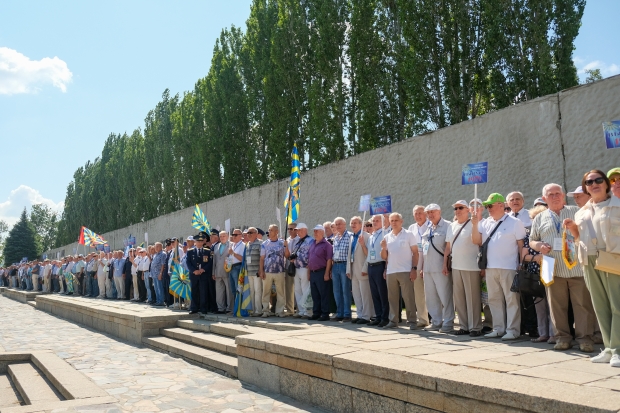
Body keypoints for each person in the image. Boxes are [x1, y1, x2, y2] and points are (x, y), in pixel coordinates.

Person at [529, 183, 596, 352]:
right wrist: (539, 246)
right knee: (556, 306)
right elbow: (532, 240)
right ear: (544, 198)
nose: (555, 197)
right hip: (552, 267)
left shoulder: (576, 211)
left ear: (563, 195)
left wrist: (574, 228)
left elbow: (587, 233)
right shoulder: (539, 217)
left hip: (577, 266)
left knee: (582, 305)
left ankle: (584, 340)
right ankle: (562, 338)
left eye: (557, 193)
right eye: (550, 194)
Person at [565, 170, 620, 367]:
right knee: (600, 306)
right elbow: (580, 238)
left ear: (606, 184)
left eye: (598, 180)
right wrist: (573, 229)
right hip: (588, 260)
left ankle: (618, 349)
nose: (594, 184)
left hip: (612, 258)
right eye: (589, 182)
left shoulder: (617, 205)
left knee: (617, 305)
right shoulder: (581, 212)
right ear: (586, 188)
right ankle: (608, 348)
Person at [472, 193, 526, 340]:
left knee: (511, 300)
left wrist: (521, 264)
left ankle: (513, 330)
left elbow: (521, 245)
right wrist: (475, 223)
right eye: (487, 206)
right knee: (494, 299)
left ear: (501, 205)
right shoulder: (485, 223)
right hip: (490, 267)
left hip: (509, 267)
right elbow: (476, 241)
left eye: (490, 205)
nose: (488, 208)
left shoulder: (515, 222)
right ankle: (498, 328)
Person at [444, 200, 482, 337]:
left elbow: (478, 242)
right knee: (459, 298)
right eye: (455, 208)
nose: (457, 210)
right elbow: (448, 246)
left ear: (468, 210)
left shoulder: (474, 223)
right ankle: (464, 326)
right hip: (456, 266)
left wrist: (475, 224)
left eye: (461, 208)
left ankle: (475, 327)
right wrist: (444, 264)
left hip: (471, 266)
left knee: (472, 298)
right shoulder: (452, 225)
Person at [380, 213, 419, 329]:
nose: (394, 222)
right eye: (392, 220)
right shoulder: (387, 237)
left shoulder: (409, 234)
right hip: (391, 271)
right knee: (392, 298)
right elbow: (384, 257)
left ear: (401, 222)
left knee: (408, 297)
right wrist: (383, 248)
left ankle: (412, 321)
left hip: (405, 270)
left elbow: (415, 252)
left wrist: (414, 268)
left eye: (396, 220)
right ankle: (393, 321)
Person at [522, 204, 554, 343]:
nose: (536, 221)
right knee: (539, 306)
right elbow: (524, 257)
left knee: (553, 305)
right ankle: (543, 333)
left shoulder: (550, 234)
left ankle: (554, 334)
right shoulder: (528, 237)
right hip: (535, 274)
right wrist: (537, 257)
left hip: (550, 270)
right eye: (534, 218)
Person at [420, 204, 454, 333]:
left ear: (439, 212)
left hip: (441, 268)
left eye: (433, 212)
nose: (430, 215)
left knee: (445, 296)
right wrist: (422, 268)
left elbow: (449, 248)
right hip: (428, 268)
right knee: (431, 297)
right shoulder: (428, 228)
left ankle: (448, 322)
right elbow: (424, 250)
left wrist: (445, 265)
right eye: (428, 212)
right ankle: (436, 321)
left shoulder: (448, 226)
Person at [346, 216, 373, 324]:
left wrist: (365, 268)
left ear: (361, 224)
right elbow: (350, 254)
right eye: (351, 223)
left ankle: (366, 316)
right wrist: (348, 270)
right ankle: (360, 314)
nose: (353, 225)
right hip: (353, 269)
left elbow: (369, 254)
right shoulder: (352, 237)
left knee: (365, 294)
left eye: (355, 223)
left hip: (362, 269)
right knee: (356, 295)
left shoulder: (366, 236)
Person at [407, 205, 430, 327]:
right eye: (415, 213)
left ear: (425, 214)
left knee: (432, 294)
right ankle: (423, 319)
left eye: (420, 213)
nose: (418, 215)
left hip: (430, 265)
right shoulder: (411, 228)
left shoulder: (430, 226)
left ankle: (438, 319)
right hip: (416, 265)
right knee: (419, 294)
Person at [364, 215, 389, 327]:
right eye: (373, 221)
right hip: (371, 266)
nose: (374, 222)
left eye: (377, 221)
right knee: (375, 293)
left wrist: (386, 268)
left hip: (380, 265)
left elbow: (388, 253)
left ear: (383, 222)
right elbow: (369, 253)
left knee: (382, 293)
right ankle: (378, 316)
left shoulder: (385, 234)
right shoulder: (371, 236)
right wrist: (362, 245)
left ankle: (385, 317)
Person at [259, 224, 289, 317]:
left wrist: (286, 246)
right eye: (269, 230)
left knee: (280, 292)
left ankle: (279, 311)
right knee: (266, 292)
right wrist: (261, 271)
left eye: (271, 230)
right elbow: (262, 258)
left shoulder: (282, 243)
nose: (269, 232)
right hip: (267, 271)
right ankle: (265, 310)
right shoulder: (264, 244)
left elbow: (287, 255)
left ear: (277, 232)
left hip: (279, 271)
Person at [308, 225, 333, 321]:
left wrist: (327, 273)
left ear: (322, 232)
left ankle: (325, 313)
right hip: (313, 272)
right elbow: (309, 259)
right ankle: (316, 313)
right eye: (314, 231)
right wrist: (309, 273)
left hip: (321, 271)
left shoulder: (327, 245)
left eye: (317, 231)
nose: (315, 233)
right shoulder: (313, 243)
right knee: (315, 294)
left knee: (324, 294)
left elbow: (329, 260)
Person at [289, 223, 313, 318]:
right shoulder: (298, 241)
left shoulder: (311, 240)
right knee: (297, 290)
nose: (298, 232)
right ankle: (301, 310)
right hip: (296, 267)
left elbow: (312, 254)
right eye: (297, 230)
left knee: (305, 289)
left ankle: (308, 311)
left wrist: (310, 266)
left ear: (305, 230)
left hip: (305, 267)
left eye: (299, 230)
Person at [186, 231, 213, 314]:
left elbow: (210, 263)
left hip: (203, 274)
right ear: (195, 242)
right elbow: (188, 262)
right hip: (194, 275)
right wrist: (194, 271)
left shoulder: (207, 251)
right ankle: (194, 308)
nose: (200, 243)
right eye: (198, 241)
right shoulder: (190, 251)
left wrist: (203, 269)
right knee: (194, 291)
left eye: (201, 241)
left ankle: (203, 308)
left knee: (203, 291)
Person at [331, 217, 352, 321]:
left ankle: (347, 314)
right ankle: (339, 313)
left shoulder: (350, 236)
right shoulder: (335, 238)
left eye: (340, 224)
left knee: (345, 290)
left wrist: (349, 268)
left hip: (344, 265)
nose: (338, 226)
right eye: (336, 224)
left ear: (345, 224)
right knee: (336, 291)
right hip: (335, 265)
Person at [245, 227, 263, 316]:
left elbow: (262, 257)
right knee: (251, 291)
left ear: (256, 234)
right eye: (248, 233)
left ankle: (258, 310)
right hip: (249, 272)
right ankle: (252, 310)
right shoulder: (247, 244)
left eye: (251, 232)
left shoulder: (260, 243)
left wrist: (260, 270)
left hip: (257, 272)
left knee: (258, 291)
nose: (249, 234)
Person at [213, 231, 232, 314]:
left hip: (227, 271)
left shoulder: (231, 245)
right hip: (218, 272)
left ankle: (230, 308)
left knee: (229, 291)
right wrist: (213, 272)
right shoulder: (216, 246)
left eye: (224, 236)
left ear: (227, 236)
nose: (222, 238)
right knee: (219, 291)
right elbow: (214, 260)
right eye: (221, 236)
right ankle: (220, 308)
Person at [228, 229, 246, 312]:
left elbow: (242, 259)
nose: (233, 236)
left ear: (240, 236)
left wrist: (233, 253)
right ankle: (236, 308)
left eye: (236, 235)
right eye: (233, 235)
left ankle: (239, 308)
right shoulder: (232, 245)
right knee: (233, 290)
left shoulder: (243, 245)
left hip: (237, 267)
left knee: (238, 289)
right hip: (231, 268)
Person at [284, 223, 298, 316]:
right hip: (289, 266)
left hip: (298, 266)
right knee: (289, 289)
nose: (289, 230)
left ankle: (300, 309)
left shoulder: (300, 240)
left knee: (298, 289)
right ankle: (290, 309)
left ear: (296, 230)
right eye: (288, 229)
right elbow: (286, 255)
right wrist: (285, 246)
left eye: (292, 229)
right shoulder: (287, 240)